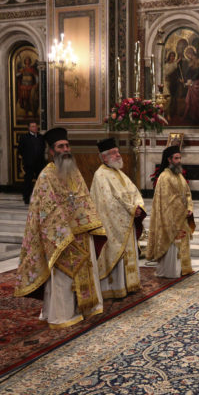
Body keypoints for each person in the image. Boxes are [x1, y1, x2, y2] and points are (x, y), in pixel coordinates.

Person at [13, 127, 104, 328]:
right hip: (61, 237)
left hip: (81, 231)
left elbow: (84, 197)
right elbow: (45, 209)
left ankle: (87, 307)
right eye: (60, 146)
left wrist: (88, 223)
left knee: (86, 270)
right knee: (63, 277)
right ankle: (64, 313)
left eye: (67, 145)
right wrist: (65, 233)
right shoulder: (46, 176)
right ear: (52, 151)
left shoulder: (74, 171)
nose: (65, 150)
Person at [90, 138, 146, 299]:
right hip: (113, 225)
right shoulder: (100, 175)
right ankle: (115, 288)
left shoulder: (119, 173)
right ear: (104, 157)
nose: (118, 155)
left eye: (117, 151)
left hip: (127, 221)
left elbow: (134, 192)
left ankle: (130, 285)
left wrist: (138, 206)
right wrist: (131, 209)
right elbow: (107, 203)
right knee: (116, 253)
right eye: (114, 153)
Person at [146, 146, 195, 278]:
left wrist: (189, 208)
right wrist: (179, 211)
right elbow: (165, 202)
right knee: (173, 245)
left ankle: (184, 269)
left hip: (182, 216)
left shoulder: (179, 175)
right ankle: (171, 271)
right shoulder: (164, 177)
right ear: (169, 159)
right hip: (171, 219)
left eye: (180, 158)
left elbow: (187, 193)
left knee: (183, 243)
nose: (179, 161)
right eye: (176, 158)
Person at [17, 121, 46, 204]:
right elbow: (20, 149)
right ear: (29, 128)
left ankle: (41, 198)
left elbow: (43, 148)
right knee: (28, 182)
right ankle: (26, 198)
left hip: (39, 163)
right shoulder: (24, 137)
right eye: (33, 126)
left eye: (36, 126)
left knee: (41, 181)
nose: (35, 128)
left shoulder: (41, 137)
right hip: (29, 163)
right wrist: (27, 158)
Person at [183, 46, 199, 124]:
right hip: (192, 83)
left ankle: (197, 116)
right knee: (190, 100)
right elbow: (187, 73)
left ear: (191, 53)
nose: (188, 57)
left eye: (188, 55)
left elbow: (198, 72)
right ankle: (191, 115)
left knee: (196, 101)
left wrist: (191, 80)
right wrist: (186, 79)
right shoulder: (190, 62)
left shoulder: (198, 61)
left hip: (198, 83)